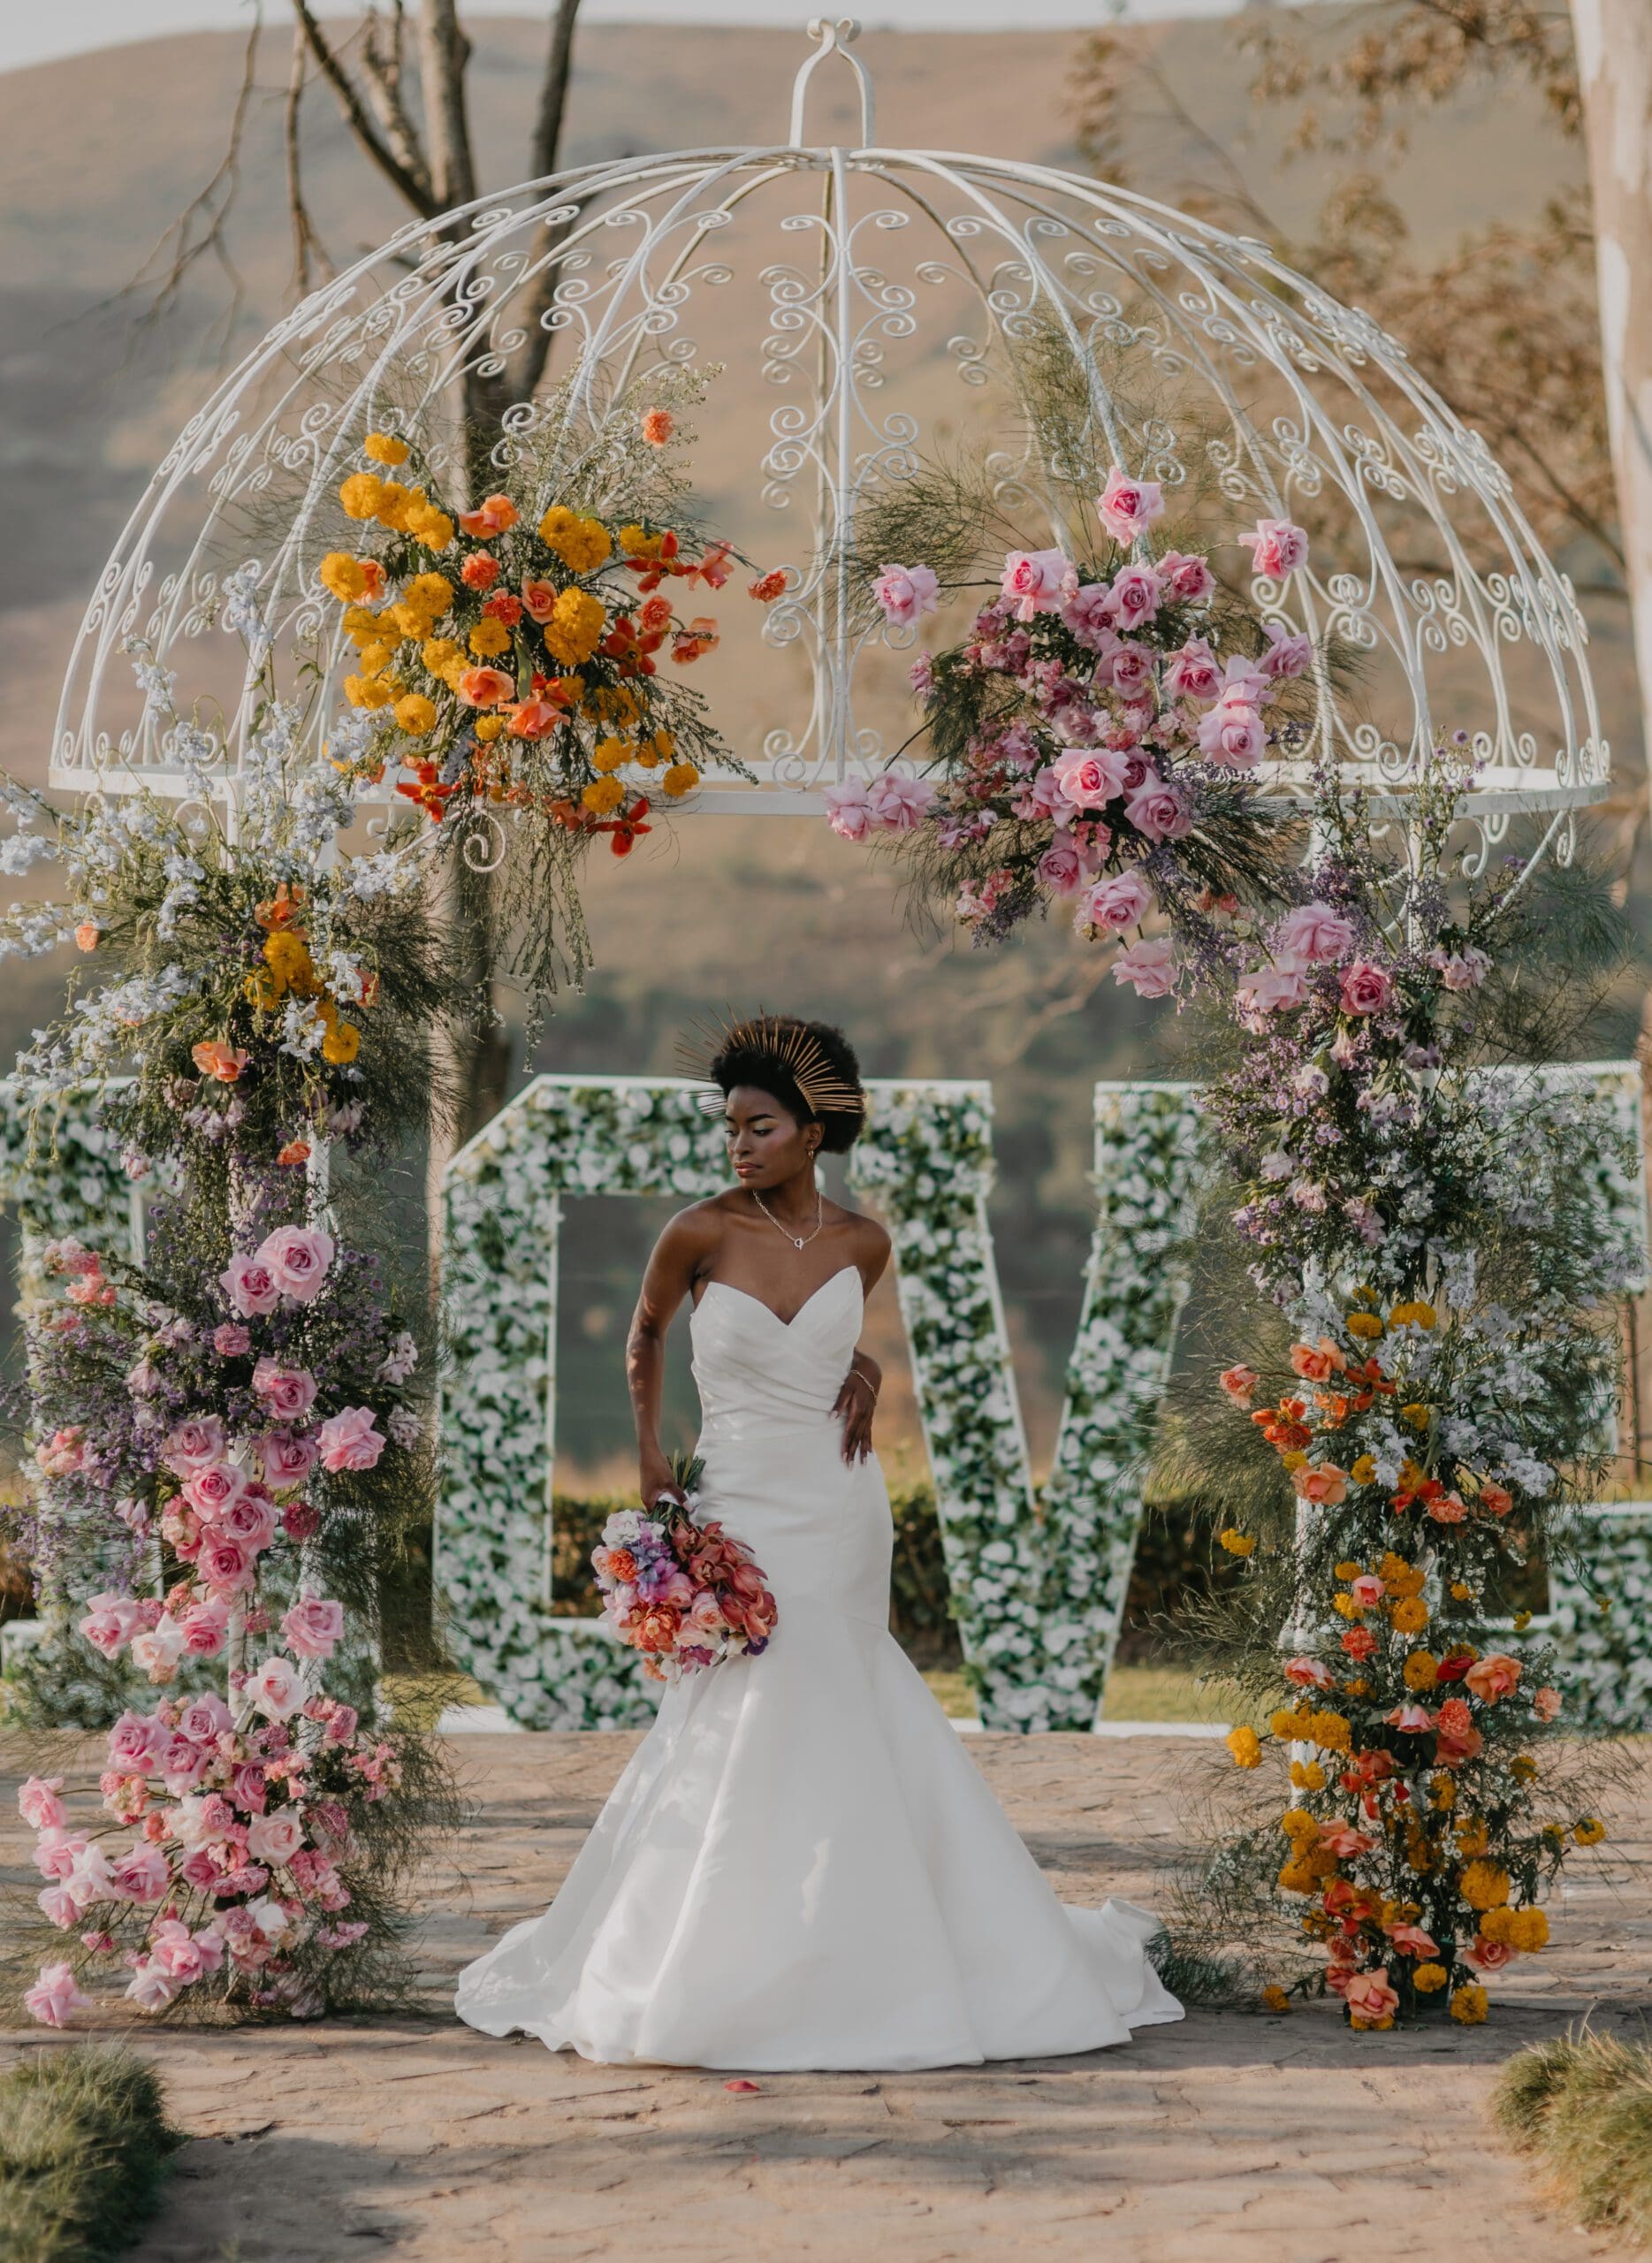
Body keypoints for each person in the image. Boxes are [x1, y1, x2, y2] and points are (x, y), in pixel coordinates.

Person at [454, 1012, 1182, 2069]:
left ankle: (873, 1941)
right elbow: (647, 1331)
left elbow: (833, 1349)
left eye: (758, 1125)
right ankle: (723, 1943)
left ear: (810, 1130)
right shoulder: (699, 1230)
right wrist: (653, 1459)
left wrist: (871, 1373)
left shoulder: (863, 1241)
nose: (738, 1144)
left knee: (845, 1691)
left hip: (841, 1504)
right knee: (741, 1700)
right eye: (731, 1127)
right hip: (741, 1496)